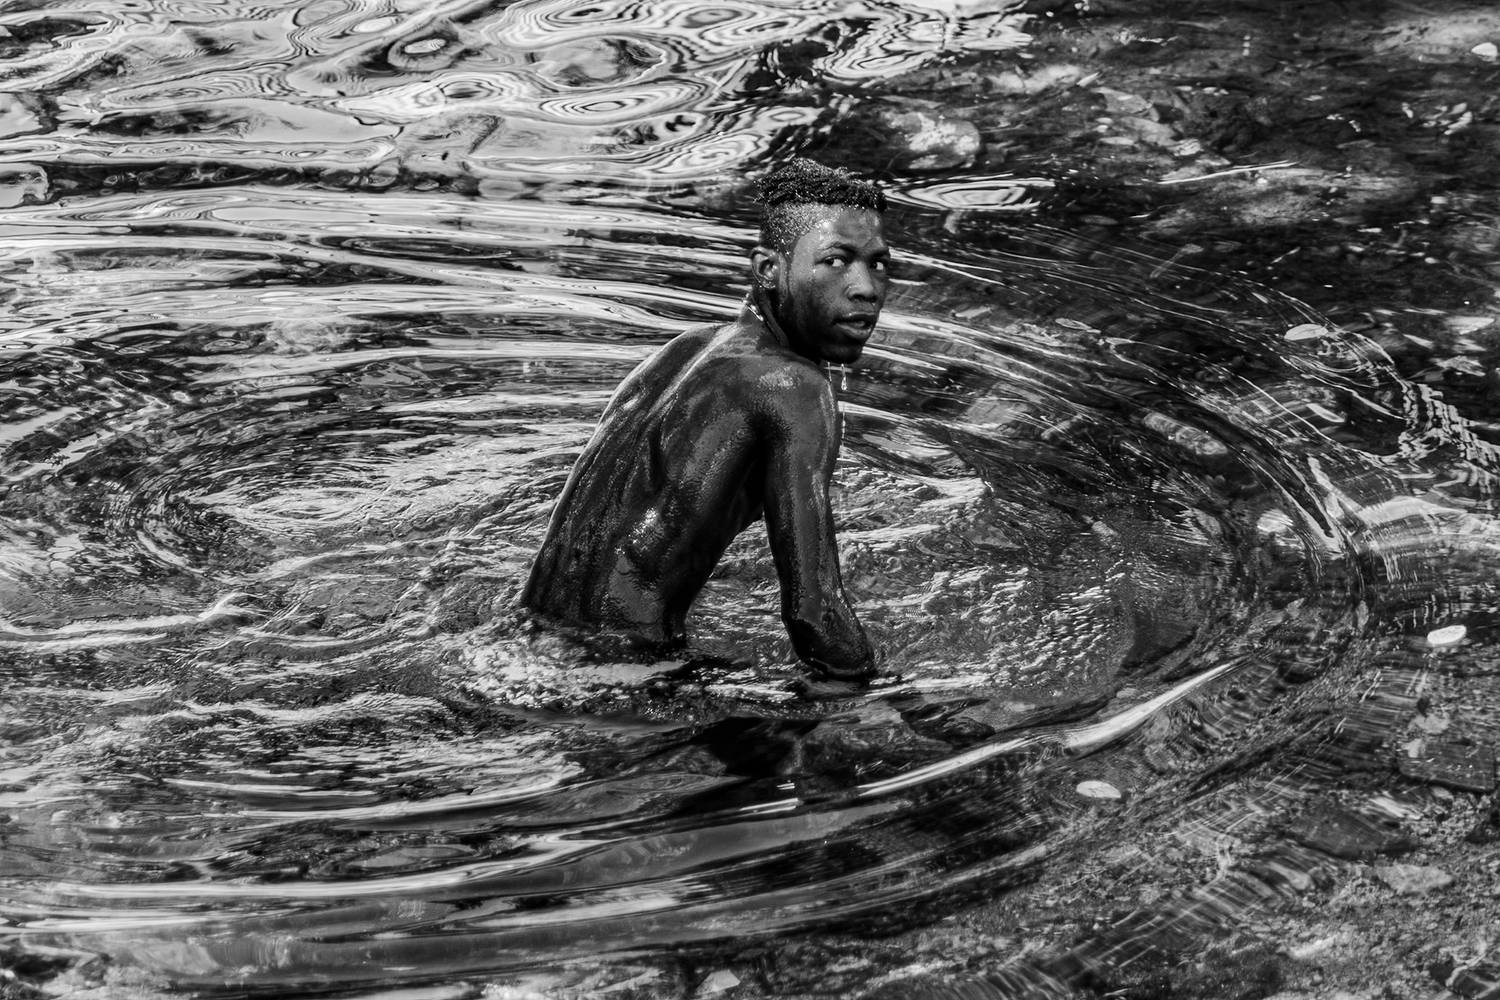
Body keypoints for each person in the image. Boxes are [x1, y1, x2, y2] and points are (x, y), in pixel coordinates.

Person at [522, 158, 890, 680]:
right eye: (836, 260)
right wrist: (880, 699)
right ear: (768, 269)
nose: (865, 287)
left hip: (529, 638)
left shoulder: (684, 349)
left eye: (878, 264)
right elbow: (814, 614)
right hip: (618, 674)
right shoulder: (793, 387)